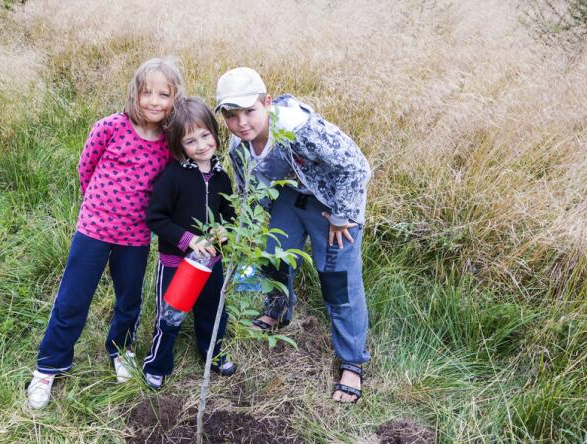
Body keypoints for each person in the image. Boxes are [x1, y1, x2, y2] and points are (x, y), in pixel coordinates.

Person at [26, 57, 185, 409]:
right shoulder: (111, 127)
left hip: (135, 236)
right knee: (73, 298)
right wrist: (99, 207)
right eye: (148, 92)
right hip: (95, 229)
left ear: (175, 99)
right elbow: (86, 167)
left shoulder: (169, 143)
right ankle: (49, 366)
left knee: (128, 299)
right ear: (135, 93)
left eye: (164, 94)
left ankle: (121, 349)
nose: (155, 101)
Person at [215, 67, 371, 403]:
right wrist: (251, 228)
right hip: (288, 197)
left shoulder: (300, 129)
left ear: (267, 103)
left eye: (249, 111)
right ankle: (278, 310)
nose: (242, 123)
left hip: (332, 204)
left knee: (337, 280)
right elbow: (248, 191)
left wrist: (343, 216)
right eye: (231, 115)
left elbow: (355, 165)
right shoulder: (238, 147)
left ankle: (352, 361)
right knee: (273, 257)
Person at [142, 97, 237, 390]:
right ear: (179, 145)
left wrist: (225, 231)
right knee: (170, 315)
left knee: (212, 311)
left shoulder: (222, 178)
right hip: (177, 263)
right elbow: (155, 218)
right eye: (191, 141)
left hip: (211, 263)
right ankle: (158, 363)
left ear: (215, 133)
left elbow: (230, 216)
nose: (201, 145)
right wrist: (189, 239)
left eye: (206, 135)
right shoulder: (172, 177)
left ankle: (213, 353)